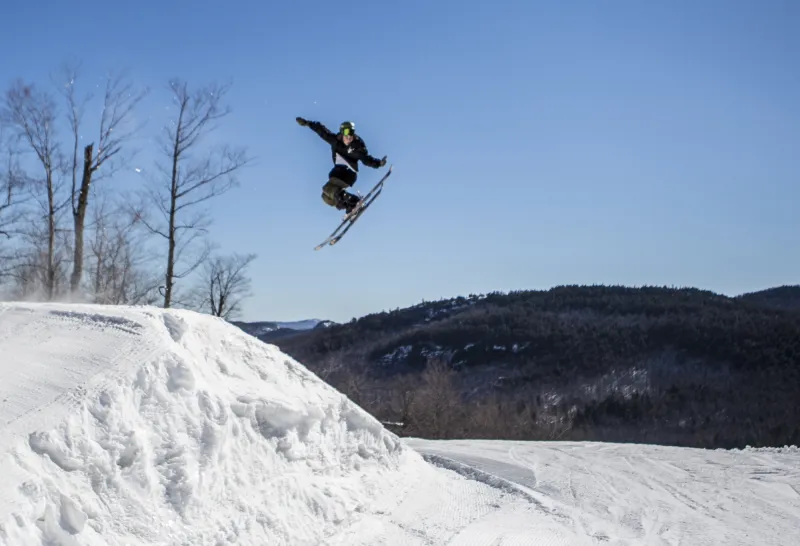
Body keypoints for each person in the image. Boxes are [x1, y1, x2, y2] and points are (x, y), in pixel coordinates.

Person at [296, 117, 387, 215]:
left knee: (327, 188)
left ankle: (354, 200)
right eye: (347, 132)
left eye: (351, 133)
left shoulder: (356, 147)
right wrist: (308, 123)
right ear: (342, 132)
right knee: (326, 197)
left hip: (348, 173)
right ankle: (349, 206)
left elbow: (366, 160)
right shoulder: (335, 141)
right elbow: (322, 131)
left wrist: (378, 163)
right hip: (338, 173)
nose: (349, 137)